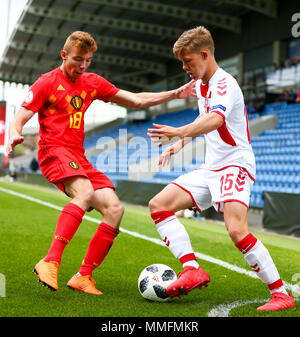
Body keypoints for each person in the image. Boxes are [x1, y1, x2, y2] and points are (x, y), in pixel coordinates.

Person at [6, 31, 195, 295]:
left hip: (78, 157)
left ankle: (83, 276)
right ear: (64, 55)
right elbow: (20, 117)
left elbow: (136, 99)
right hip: (54, 151)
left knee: (115, 209)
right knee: (85, 193)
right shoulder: (46, 83)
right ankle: (50, 260)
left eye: (88, 61)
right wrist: (14, 133)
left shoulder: (91, 82)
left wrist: (176, 94)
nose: (83, 66)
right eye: (77, 60)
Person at [147, 26, 295, 311]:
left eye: (188, 61)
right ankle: (192, 269)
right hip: (212, 166)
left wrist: (179, 132)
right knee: (159, 205)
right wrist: (181, 143)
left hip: (235, 163)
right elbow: (205, 121)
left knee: (236, 230)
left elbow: (215, 119)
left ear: (204, 54)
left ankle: (280, 294)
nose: (184, 67)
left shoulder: (225, 83)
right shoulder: (202, 85)